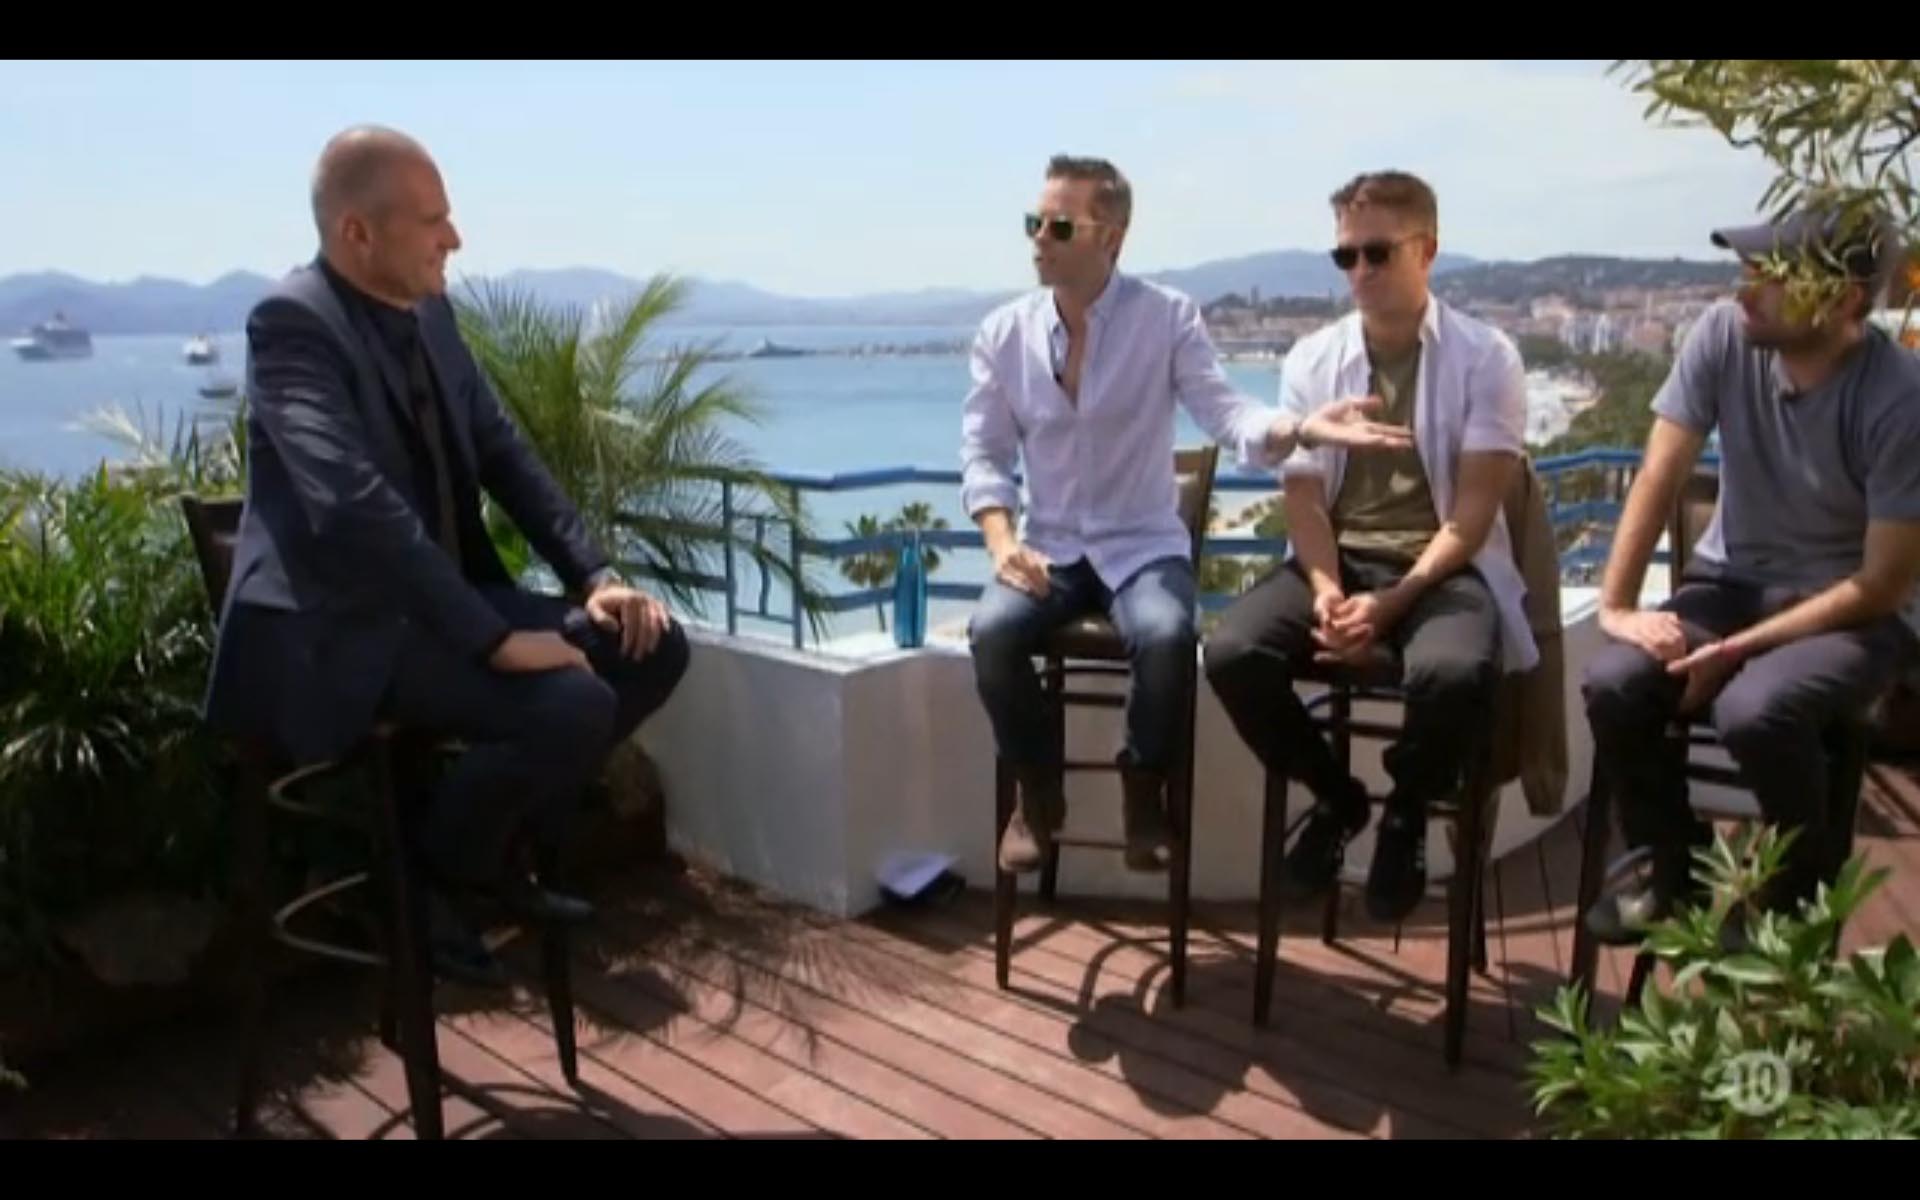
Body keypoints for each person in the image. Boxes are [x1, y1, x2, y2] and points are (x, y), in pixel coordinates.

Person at [204, 126, 691, 982]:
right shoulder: (291, 326)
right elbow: (353, 504)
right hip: (342, 630)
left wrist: (595, 577)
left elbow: (502, 451)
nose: (454, 239)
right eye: (432, 221)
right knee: (570, 704)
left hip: (437, 608)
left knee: (651, 644)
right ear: (357, 233)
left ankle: (456, 862)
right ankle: (437, 878)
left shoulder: (431, 311)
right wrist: (496, 640)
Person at [962, 154, 1414, 875]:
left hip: (1143, 546)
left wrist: (1301, 428)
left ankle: (1146, 792)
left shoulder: (1166, 318)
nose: (1039, 239)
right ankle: (1037, 794)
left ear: (1112, 236)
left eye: (1058, 226)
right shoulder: (1003, 333)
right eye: (1033, 223)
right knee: (991, 632)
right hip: (1049, 547)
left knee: (1168, 634)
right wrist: (1000, 541)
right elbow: (984, 453)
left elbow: (1225, 412)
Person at [1580, 203, 1920, 943]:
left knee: (1756, 710)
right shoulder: (1723, 336)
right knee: (1614, 684)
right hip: (1731, 583)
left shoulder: (1901, 397)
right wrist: (1617, 606)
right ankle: (1673, 863)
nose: (1745, 290)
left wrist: (1739, 650)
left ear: (1844, 300)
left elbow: (1883, 585)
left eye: (1771, 275)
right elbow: (1659, 474)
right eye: (1748, 269)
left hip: (1853, 609)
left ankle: (1797, 890)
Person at [1203, 170, 1535, 923]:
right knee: (1232, 653)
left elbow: (1471, 519)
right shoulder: (1312, 360)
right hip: (1341, 559)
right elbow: (1303, 499)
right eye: (1345, 256)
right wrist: (1328, 592)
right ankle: (1336, 797)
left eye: (1376, 253)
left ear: (1427, 250)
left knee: (1452, 674)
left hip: (1442, 566)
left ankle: (1408, 810)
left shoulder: (1486, 358)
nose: (1358, 271)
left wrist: (1391, 604)